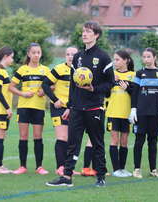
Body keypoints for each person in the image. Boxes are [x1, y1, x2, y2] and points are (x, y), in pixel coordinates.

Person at [46, 21, 114, 187]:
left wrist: (94, 89)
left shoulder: (104, 57)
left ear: (96, 35)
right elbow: (72, 87)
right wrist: (69, 106)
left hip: (94, 108)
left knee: (97, 143)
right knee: (72, 143)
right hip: (77, 108)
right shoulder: (77, 57)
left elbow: (110, 83)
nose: (84, 34)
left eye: (88, 32)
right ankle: (67, 177)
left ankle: (100, 177)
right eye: (83, 31)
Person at [9, 43, 50, 175]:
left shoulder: (46, 70)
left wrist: (43, 91)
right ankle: (22, 166)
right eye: (33, 52)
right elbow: (11, 87)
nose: (36, 55)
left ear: (41, 54)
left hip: (38, 107)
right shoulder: (22, 69)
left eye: (38, 52)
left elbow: (53, 86)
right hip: (24, 107)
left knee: (38, 137)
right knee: (23, 136)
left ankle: (39, 167)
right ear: (29, 54)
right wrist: (22, 94)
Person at [129, 47, 158, 179]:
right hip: (141, 113)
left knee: (153, 141)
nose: (146, 59)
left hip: (156, 113)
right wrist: (133, 109)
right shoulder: (139, 74)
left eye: (148, 56)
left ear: (155, 57)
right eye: (144, 57)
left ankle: (153, 169)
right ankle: (136, 169)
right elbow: (134, 93)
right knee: (139, 141)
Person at [41, 46, 79, 176]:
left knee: (71, 139)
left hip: (73, 108)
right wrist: (55, 99)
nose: (70, 56)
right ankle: (60, 167)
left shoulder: (81, 72)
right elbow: (45, 84)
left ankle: (68, 168)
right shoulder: (58, 69)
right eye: (67, 54)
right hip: (58, 108)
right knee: (62, 137)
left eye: (73, 54)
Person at [106, 50, 135, 178]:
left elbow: (136, 94)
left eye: (117, 59)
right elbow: (105, 93)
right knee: (114, 140)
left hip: (127, 113)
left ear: (126, 60)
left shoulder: (134, 75)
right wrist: (112, 81)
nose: (115, 62)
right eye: (114, 59)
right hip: (113, 112)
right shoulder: (111, 74)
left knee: (124, 142)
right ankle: (116, 169)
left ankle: (122, 169)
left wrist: (127, 88)